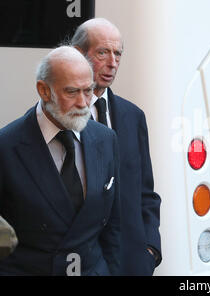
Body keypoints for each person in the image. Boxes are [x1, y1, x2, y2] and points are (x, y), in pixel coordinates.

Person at [0, 46, 121, 275]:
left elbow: (114, 226)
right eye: (72, 92)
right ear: (44, 91)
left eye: (89, 91)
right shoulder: (6, 147)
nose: (84, 103)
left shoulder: (106, 139)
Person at [71, 18, 162, 275]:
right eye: (102, 53)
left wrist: (150, 249)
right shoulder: (62, 118)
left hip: (133, 263)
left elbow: (146, 193)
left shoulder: (133, 116)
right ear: (79, 55)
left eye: (117, 54)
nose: (112, 63)